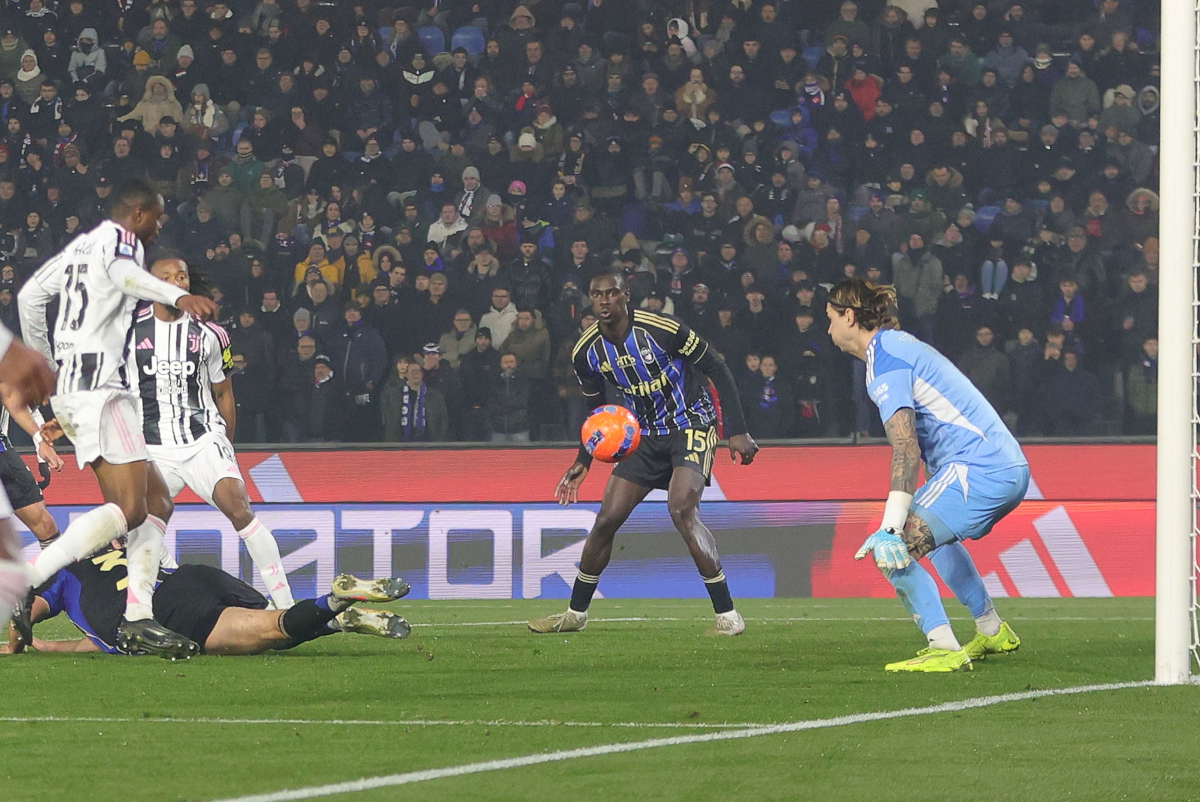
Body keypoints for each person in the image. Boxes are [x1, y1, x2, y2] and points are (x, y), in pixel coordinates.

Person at [17, 178, 219, 659]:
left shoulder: (76, 249)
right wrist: (175, 296)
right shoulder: (118, 241)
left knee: (158, 502)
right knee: (132, 510)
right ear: (140, 215)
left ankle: (137, 618)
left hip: (83, 390)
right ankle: (25, 581)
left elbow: (28, 299)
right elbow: (126, 276)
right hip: (104, 391)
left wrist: (49, 375)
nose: (157, 228)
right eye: (157, 218)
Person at [528, 271, 759, 637]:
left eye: (612, 293)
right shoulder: (586, 351)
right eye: (596, 294)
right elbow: (597, 412)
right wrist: (583, 460)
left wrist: (737, 430)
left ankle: (728, 617)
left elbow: (716, 365)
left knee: (682, 509)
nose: (604, 300)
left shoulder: (664, 329)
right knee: (606, 519)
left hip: (692, 426)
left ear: (626, 296)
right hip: (644, 437)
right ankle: (575, 615)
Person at [826, 278, 1029, 672]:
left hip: (979, 468)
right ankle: (991, 630)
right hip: (1004, 465)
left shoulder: (884, 360)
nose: (828, 329)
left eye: (830, 319)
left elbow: (906, 448)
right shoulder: (898, 345)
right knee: (936, 543)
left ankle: (944, 646)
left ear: (849, 317)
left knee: (892, 549)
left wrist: (889, 527)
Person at [128, 258, 293, 611]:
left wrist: (225, 445)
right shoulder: (129, 332)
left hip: (203, 439)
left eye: (181, 275)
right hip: (153, 447)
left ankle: (284, 606)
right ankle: (158, 592)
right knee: (137, 522)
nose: (176, 281)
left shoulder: (211, 334)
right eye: (166, 277)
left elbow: (224, 393)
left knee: (240, 509)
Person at [8, 550, 412, 655]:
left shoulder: (56, 578)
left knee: (273, 633)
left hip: (167, 611)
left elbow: (23, 617)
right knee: (274, 629)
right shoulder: (108, 547)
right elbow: (100, 643)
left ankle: (336, 599)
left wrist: (20, 644)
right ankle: (342, 618)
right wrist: (52, 648)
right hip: (193, 577)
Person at [0, 332, 56, 641]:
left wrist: (39, 442)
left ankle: (37, 593)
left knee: (46, 527)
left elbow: (12, 397)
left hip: (1, 450)